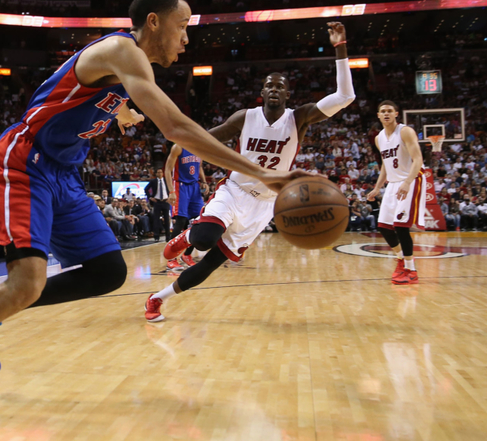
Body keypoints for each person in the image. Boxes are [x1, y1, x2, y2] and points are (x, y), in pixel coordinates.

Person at [0, 0, 316, 418]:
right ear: (154, 21)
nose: (187, 40)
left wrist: (122, 111)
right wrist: (264, 173)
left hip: (63, 175)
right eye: (183, 26)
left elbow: (103, 99)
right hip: (26, 162)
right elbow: (176, 128)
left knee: (108, 272)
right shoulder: (123, 51)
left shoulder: (128, 71)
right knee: (26, 281)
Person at [147, 21, 355, 322]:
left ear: (287, 94)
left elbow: (344, 97)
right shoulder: (246, 117)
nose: (274, 89)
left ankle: (156, 299)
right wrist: (179, 140)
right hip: (235, 190)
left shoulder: (300, 118)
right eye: (269, 85)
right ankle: (187, 235)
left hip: (264, 205)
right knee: (204, 239)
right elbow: (206, 138)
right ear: (262, 91)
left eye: (280, 86)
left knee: (210, 264)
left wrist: (340, 48)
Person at [366, 100, 426, 285]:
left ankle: (411, 270)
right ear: (378, 115)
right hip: (392, 183)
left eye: (389, 111)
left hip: (412, 178)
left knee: (400, 226)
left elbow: (418, 159)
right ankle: (402, 259)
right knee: (384, 226)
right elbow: (385, 164)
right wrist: (377, 187)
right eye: (382, 111)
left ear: (396, 114)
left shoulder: (405, 131)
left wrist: (408, 182)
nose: (386, 114)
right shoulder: (379, 138)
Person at [164, 144, 208, 269]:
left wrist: (204, 181)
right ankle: (171, 259)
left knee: (199, 220)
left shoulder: (198, 148)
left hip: (194, 186)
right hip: (180, 186)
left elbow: (199, 166)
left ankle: (187, 255)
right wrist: (171, 191)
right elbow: (167, 169)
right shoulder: (178, 147)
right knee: (180, 221)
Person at [145, 168, 172, 241]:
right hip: (157, 201)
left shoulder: (166, 180)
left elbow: (172, 188)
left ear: (163, 173)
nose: (160, 173)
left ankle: (168, 237)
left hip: (165, 201)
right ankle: (156, 237)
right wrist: (150, 197)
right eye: (158, 172)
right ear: (156, 174)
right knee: (156, 219)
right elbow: (146, 189)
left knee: (167, 219)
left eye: (161, 172)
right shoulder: (153, 181)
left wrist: (170, 196)